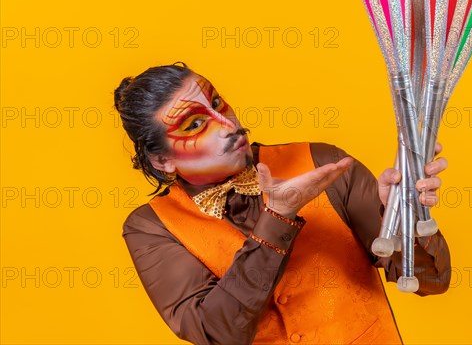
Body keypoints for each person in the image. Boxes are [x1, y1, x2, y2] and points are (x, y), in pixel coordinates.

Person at [114, 62, 451, 345]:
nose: (228, 124)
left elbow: (430, 280)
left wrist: (405, 215)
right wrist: (277, 218)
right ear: (162, 161)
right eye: (195, 124)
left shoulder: (323, 163)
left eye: (217, 103)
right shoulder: (152, 227)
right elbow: (217, 333)